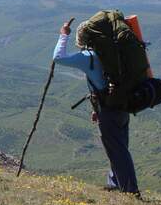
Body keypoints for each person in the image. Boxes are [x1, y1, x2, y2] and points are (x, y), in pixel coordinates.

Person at [53, 19, 139, 195]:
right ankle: (115, 183)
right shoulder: (114, 53)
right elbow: (106, 83)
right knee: (119, 147)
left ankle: (130, 190)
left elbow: (58, 58)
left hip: (108, 109)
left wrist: (63, 34)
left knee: (117, 151)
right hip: (122, 104)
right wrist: (96, 109)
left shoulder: (89, 56)